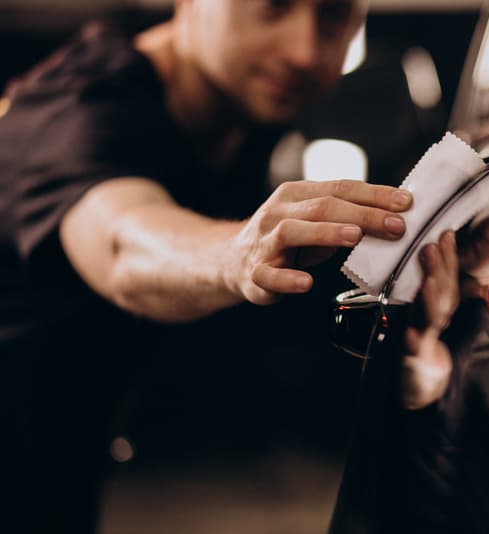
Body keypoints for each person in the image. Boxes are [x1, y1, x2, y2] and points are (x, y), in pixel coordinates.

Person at [0, 0, 414, 531]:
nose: (304, 51)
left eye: (333, 16)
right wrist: (236, 251)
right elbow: (124, 243)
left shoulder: (234, 105)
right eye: (273, 6)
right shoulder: (80, 111)